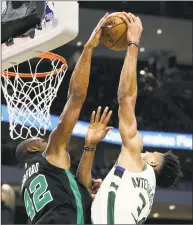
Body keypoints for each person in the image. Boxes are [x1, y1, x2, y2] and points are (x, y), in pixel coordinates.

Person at [77, 12, 183, 224]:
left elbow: (126, 99)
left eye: (151, 152)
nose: (145, 150)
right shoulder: (141, 190)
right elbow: (83, 182)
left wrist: (133, 44)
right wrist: (90, 147)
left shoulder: (137, 160)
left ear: (153, 162)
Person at [15, 13, 110, 224]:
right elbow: (75, 98)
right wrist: (89, 48)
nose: (45, 140)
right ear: (31, 149)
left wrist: (89, 146)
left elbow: (78, 186)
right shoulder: (49, 156)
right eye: (40, 140)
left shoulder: (31, 179)